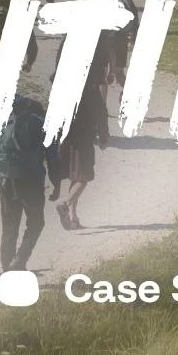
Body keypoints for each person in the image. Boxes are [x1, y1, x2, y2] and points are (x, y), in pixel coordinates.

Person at [0, 92, 49, 272]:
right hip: (31, 179)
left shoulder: (4, 119)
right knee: (36, 222)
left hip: (6, 179)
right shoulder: (38, 121)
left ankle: (7, 268)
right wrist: (57, 181)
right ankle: (19, 260)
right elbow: (51, 153)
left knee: (10, 225)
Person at [51, 47, 109, 230]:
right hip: (83, 138)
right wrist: (104, 136)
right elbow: (101, 114)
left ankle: (73, 218)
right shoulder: (91, 90)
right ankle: (65, 203)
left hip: (66, 139)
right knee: (83, 177)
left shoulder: (63, 89)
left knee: (73, 178)